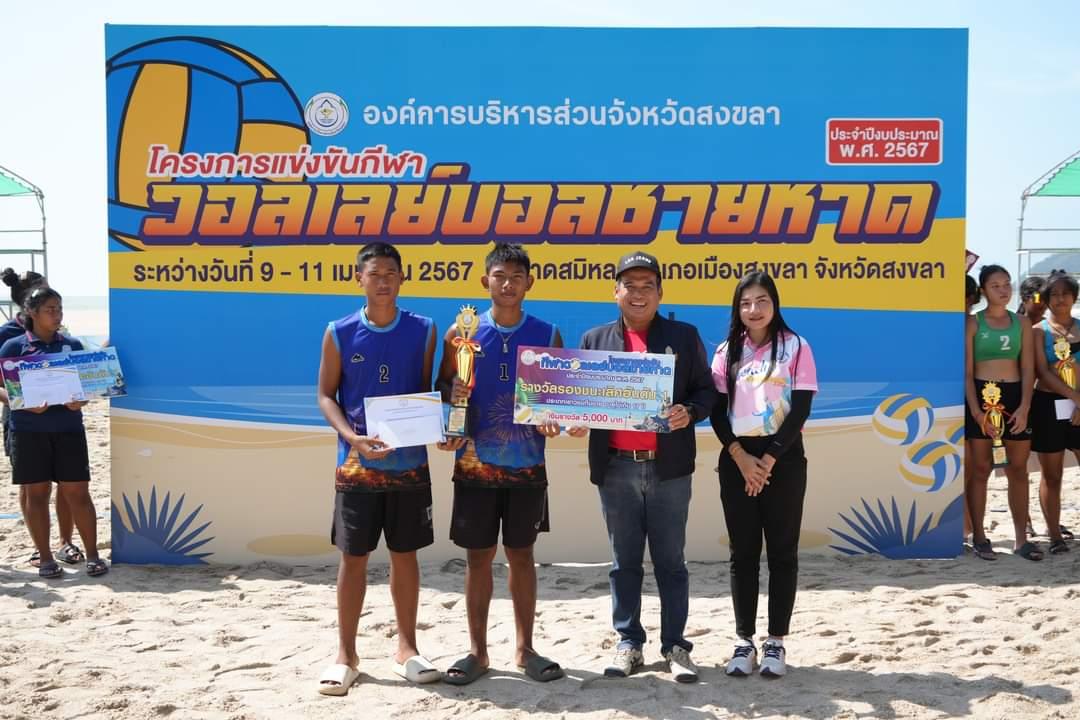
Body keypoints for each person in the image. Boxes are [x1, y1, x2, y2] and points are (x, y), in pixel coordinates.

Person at [568, 250, 717, 683]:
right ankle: (629, 642)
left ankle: (675, 646)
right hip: (616, 468)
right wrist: (577, 419)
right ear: (615, 292)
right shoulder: (595, 340)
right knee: (623, 562)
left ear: (660, 293)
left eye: (647, 285)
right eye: (629, 285)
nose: (638, 293)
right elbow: (580, 401)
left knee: (671, 562)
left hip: (669, 469)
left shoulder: (684, 336)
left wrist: (690, 411)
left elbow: (707, 392)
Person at [436, 243, 565, 685]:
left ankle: (525, 649)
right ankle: (478, 651)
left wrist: (554, 420)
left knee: (522, 555)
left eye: (516, 276)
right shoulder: (461, 333)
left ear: (530, 282)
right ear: (484, 281)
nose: (508, 284)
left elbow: (556, 400)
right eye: (500, 275)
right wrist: (452, 402)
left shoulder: (548, 334)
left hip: (526, 467)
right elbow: (445, 386)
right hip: (475, 464)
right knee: (478, 558)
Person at [315, 242, 440, 696]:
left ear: (403, 278)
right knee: (353, 558)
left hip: (410, 467)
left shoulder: (425, 329)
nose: (383, 281)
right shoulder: (339, 331)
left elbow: (424, 392)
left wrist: (435, 423)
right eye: (375, 274)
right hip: (356, 468)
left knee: (406, 555)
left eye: (391, 273)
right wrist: (352, 437)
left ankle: (407, 649)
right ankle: (346, 655)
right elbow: (326, 395)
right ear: (359, 279)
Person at [709, 272, 817, 678]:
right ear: (737, 308)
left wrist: (769, 459)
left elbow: (801, 409)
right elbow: (717, 412)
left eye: (762, 301)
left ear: (775, 303)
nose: (753, 310)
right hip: (737, 459)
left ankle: (776, 641)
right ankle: (744, 641)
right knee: (743, 554)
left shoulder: (796, 346)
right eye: (745, 303)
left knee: (783, 552)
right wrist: (740, 457)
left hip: (783, 459)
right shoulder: (725, 351)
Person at [0, 287, 106, 579]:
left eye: (59, 308)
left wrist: (81, 400)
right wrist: (20, 402)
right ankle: (45, 558)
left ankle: (93, 555)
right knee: (37, 493)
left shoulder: (71, 344)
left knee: (78, 492)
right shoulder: (13, 347)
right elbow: (2, 388)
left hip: (69, 428)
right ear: (31, 313)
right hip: (29, 430)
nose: (57, 314)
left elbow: (88, 386)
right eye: (50, 309)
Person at [965, 265, 1037, 561]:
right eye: (996, 285)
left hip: (1016, 396)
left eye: (1007, 284)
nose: (1003, 290)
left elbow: (1029, 368)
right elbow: (967, 373)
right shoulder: (973, 323)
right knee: (981, 469)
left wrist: (1025, 406)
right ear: (983, 291)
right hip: (982, 396)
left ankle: (1022, 539)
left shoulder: (1022, 323)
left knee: (1017, 470)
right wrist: (976, 412)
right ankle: (980, 537)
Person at [1029, 270, 1080, 554]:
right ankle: (1054, 535)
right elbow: (1042, 372)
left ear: (1074, 296)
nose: (1060, 299)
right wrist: (1074, 398)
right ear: (1046, 299)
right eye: (1054, 294)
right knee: (1052, 475)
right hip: (1049, 405)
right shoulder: (1039, 331)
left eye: (1066, 293)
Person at [963, 274, 980, 544]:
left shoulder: (976, 323)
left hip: (974, 395)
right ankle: (965, 525)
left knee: (974, 466)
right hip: (949, 396)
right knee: (966, 464)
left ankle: (968, 525)